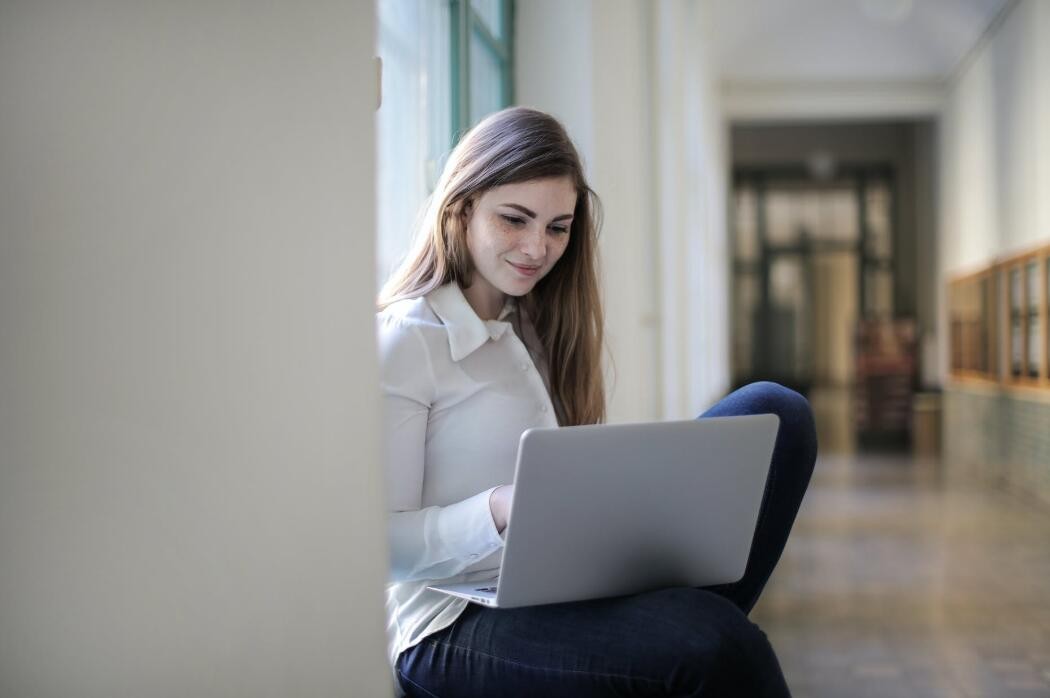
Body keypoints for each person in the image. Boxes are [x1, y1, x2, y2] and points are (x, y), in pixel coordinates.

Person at [377, 106, 817, 697]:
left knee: (778, 411)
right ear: (461, 211)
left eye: (558, 227)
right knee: (713, 641)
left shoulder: (529, 324)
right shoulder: (410, 337)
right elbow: (384, 545)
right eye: (515, 219)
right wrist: (502, 508)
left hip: (553, 579)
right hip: (448, 627)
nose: (538, 247)